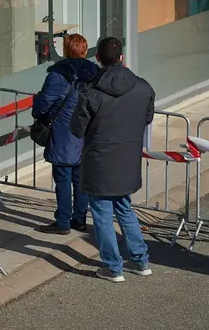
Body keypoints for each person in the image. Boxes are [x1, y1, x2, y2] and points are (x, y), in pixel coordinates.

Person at [70, 37, 155, 282]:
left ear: (98, 59)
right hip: (127, 158)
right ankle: (141, 260)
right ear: (122, 58)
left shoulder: (90, 91)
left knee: (102, 215)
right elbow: (146, 117)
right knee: (125, 209)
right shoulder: (142, 87)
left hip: (99, 160)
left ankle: (113, 267)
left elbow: (77, 128)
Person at [32, 34, 99, 235]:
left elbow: (42, 104)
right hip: (86, 134)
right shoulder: (94, 73)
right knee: (80, 180)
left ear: (67, 50)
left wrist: (39, 111)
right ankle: (79, 219)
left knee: (63, 180)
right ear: (85, 51)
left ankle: (62, 221)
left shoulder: (58, 75)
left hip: (63, 134)